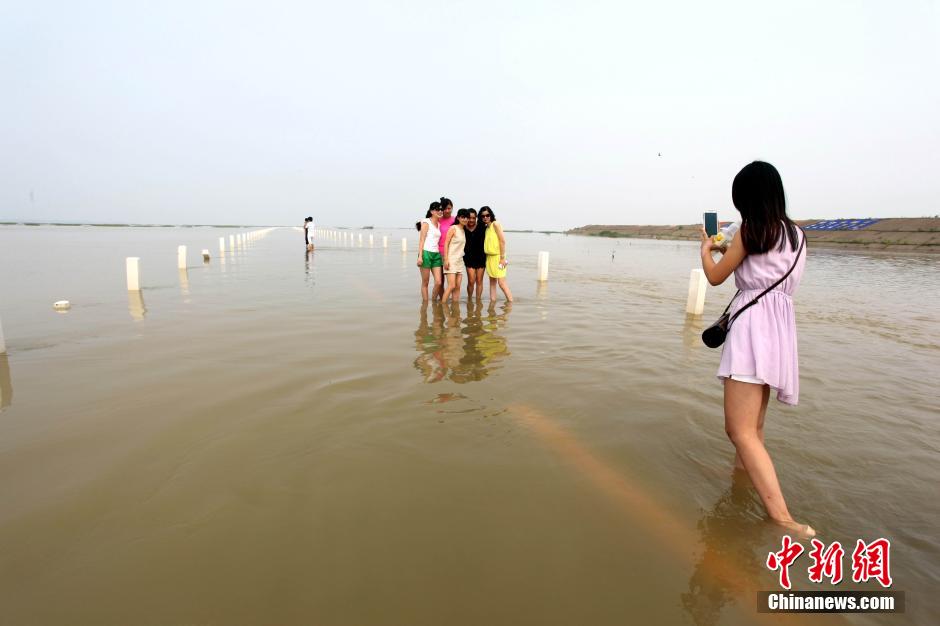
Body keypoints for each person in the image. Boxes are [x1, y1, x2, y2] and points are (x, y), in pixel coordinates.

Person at [699, 161, 812, 537]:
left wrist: (705, 250)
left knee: (739, 430)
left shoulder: (750, 231)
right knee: (754, 428)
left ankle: (782, 517)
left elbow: (716, 278)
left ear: (747, 198)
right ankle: (741, 485)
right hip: (779, 332)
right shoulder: (797, 235)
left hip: (751, 330)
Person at [480, 207, 513, 302]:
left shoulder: (496, 224)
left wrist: (502, 258)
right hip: (489, 258)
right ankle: (492, 304)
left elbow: (502, 241)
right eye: (483, 216)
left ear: (491, 215)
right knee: (492, 282)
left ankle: (510, 303)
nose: (485, 217)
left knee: (502, 283)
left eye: (487, 215)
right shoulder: (487, 228)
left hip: (498, 257)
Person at [417, 202, 444, 301]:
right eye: (438, 209)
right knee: (425, 282)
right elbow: (422, 240)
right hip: (426, 253)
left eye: (441, 209)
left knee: (438, 282)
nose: (440, 211)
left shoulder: (439, 224)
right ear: (432, 211)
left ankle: (433, 302)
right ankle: (425, 304)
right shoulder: (426, 222)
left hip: (436, 254)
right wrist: (420, 256)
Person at [442, 209, 469, 302]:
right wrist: (446, 259)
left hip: (460, 261)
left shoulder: (464, 230)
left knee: (457, 287)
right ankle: (442, 307)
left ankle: (455, 311)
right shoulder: (453, 228)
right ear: (458, 218)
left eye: (467, 217)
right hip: (451, 260)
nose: (465, 219)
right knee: (451, 286)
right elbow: (446, 243)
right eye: (463, 217)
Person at [463, 209, 486, 299]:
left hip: (481, 257)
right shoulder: (463, 228)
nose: (471, 220)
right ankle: (469, 299)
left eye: (473, 218)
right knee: (471, 280)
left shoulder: (482, 227)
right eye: (469, 218)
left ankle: (478, 300)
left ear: (476, 218)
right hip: (469, 258)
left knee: (479, 281)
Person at [435, 197, 454, 300]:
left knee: (451, 283)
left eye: (449, 208)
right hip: (438, 253)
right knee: (440, 282)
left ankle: (447, 301)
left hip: (451, 255)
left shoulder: (456, 220)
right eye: (445, 208)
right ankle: (441, 306)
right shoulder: (437, 220)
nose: (447, 210)